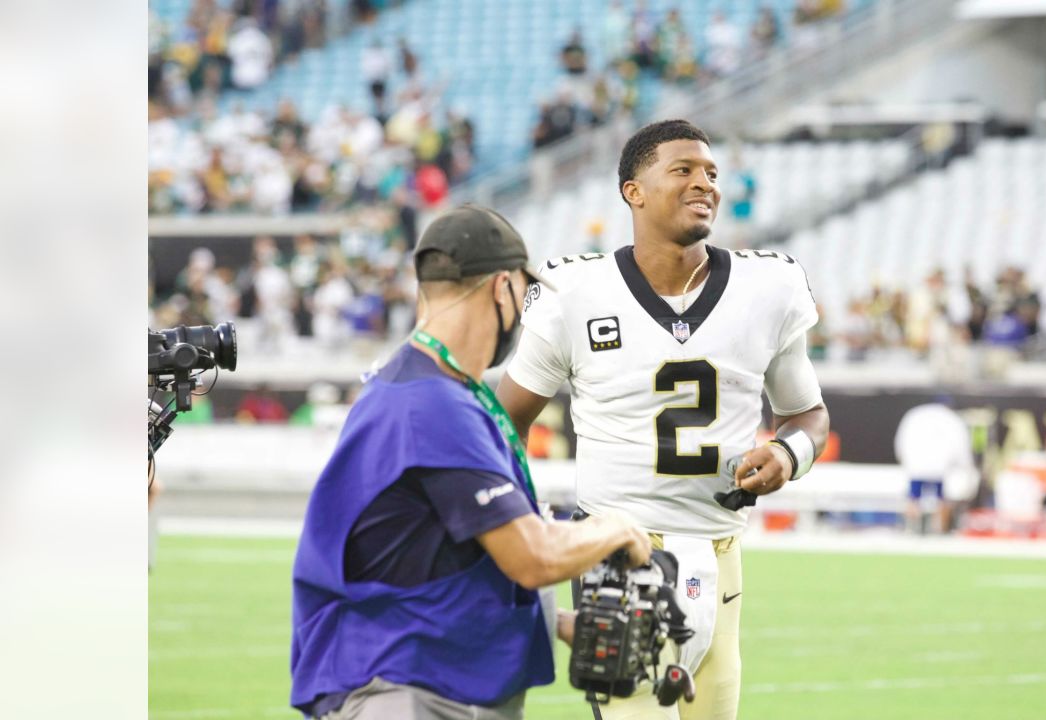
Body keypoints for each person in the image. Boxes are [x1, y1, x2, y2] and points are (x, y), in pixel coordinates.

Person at [498, 119, 830, 719]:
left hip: (722, 551)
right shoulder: (575, 290)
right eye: (683, 169)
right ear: (634, 190)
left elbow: (806, 415)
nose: (704, 183)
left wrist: (787, 454)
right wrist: (517, 526)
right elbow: (505, 422)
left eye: (711, 173)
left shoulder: (769, 285)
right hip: (618, 553)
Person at [291, 205, 653, 719]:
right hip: (405, 688)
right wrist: (616, 530)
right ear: (501, 287)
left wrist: (560, 624)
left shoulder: (418, 384)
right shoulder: (434, 404)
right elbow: (533, 557)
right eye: (525, 294)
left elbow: (428, 554)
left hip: (414, 675)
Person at [893, 398, 974, 535]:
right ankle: (939, 529)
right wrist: (966, 465)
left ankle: (911, 528)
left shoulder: (915, 414)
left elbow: (901, 441)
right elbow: (960, 444)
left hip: (917, 465)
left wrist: (903, 459)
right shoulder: (951, 419)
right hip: (939, 466)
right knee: (940, 499)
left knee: (914, 498)